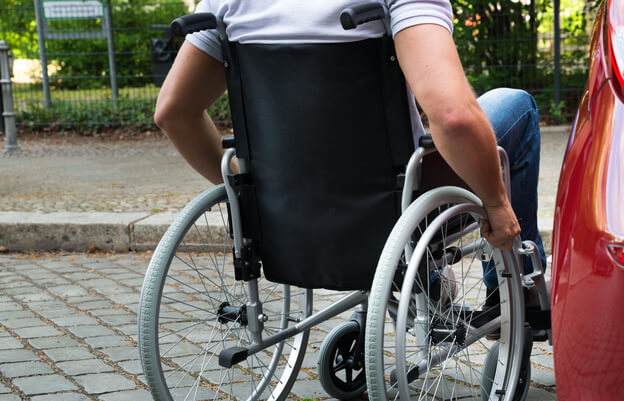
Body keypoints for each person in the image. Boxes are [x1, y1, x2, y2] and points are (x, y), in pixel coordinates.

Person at [154, 0, 544, 267]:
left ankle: (427, 280)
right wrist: (495, 202)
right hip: (396, 208)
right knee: (516, 105)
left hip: (285, 213)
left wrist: (251, 192)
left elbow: (174, 112)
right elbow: (454, 117)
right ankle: (514, 292)